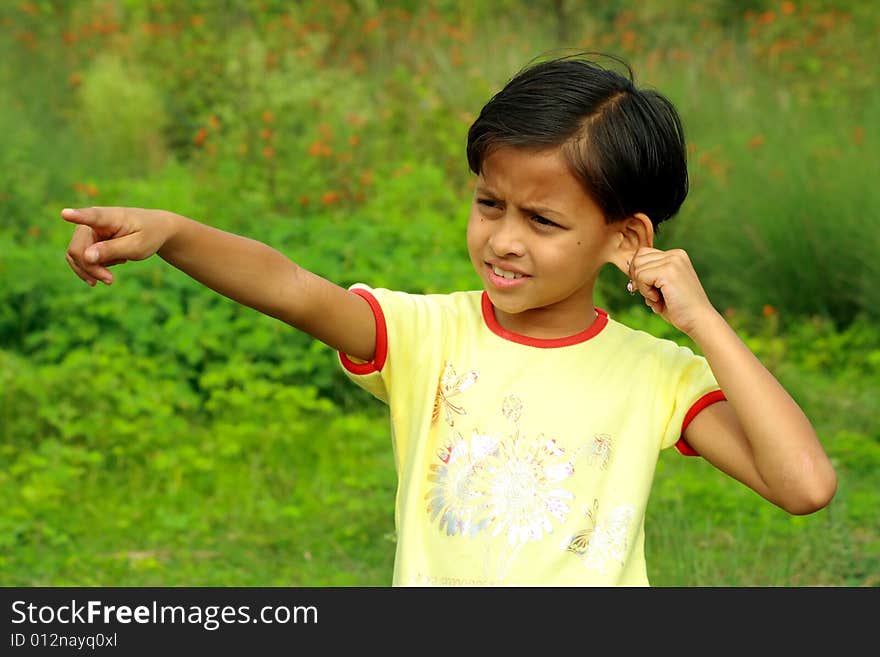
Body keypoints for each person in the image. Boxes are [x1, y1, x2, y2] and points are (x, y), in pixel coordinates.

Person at [62, 52, 837, 586]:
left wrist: (701, 322)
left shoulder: (657, 375)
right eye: (489, 203)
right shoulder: (427, 337)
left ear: (625, 238)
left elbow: (803, 484)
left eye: (542, 220)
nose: (502, 239)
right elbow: (293, 287)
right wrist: (173, 232)